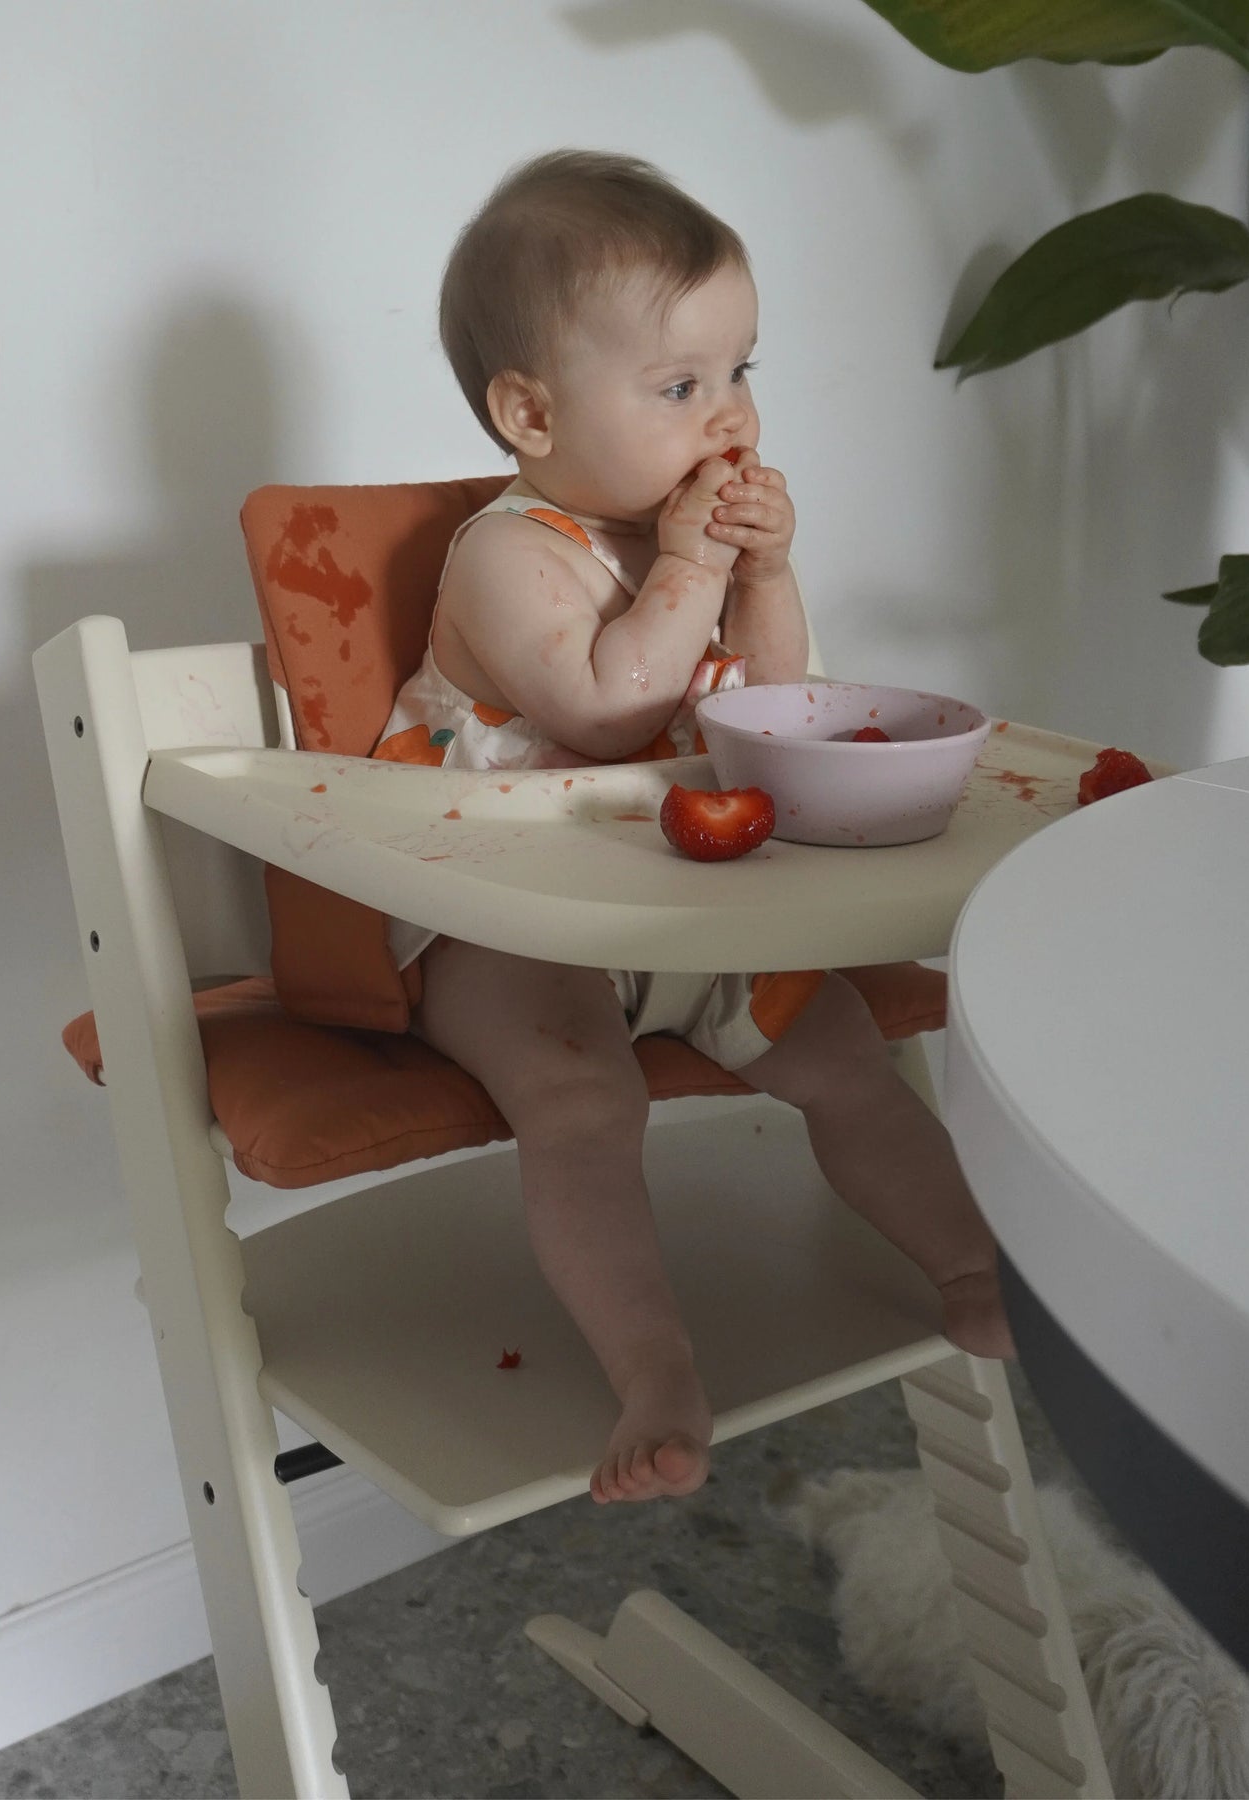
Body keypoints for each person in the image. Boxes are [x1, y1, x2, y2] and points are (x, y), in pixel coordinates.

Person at [374, 150, 1011, 1506]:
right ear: (530, 412)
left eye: (741, 371)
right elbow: (608, 713)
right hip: (515, 918)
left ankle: (970, 1265)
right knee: (582, 1105)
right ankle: (654, 1370)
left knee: (847, 1052)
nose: (729, 416)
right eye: (680, 387)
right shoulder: (509, 554)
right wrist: (695, 563)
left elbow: (778, 707)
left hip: (687, 902)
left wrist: (764, 574)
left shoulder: (682, 540)